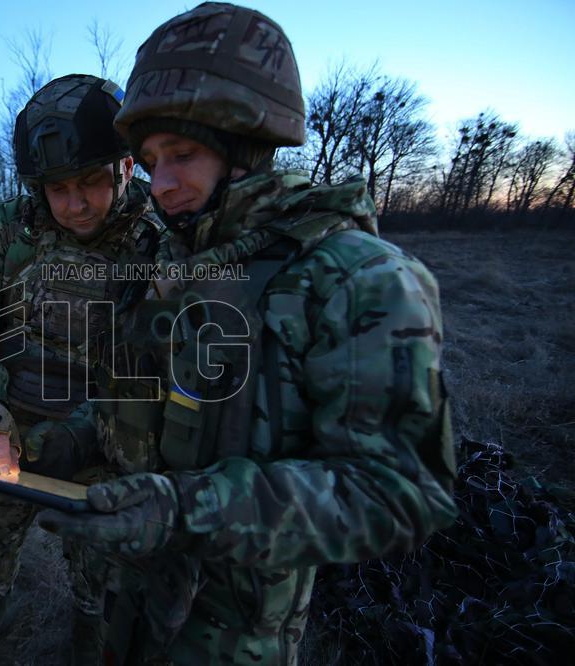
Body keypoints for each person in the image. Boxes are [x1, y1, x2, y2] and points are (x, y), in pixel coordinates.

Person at [37, 4, 460, 664]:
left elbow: (402, 495)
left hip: (233, 639)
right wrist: (59, 442)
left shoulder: (356, 279)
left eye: (183, 155)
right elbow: (136, 397)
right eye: (149, 161)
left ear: (249, 146)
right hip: (131, 602)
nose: (162, 184)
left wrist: (187, 511)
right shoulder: (165, 264)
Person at [0, 74, 165, 665]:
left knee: (95, 558)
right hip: (8, 423)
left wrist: (83, 434)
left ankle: (89, 626)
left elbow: (158, 364)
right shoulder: (13, 225)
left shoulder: (156, 242)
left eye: (91, 183)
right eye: (58, 189)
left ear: (127, 168)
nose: (75, 204)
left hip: (106, 434)